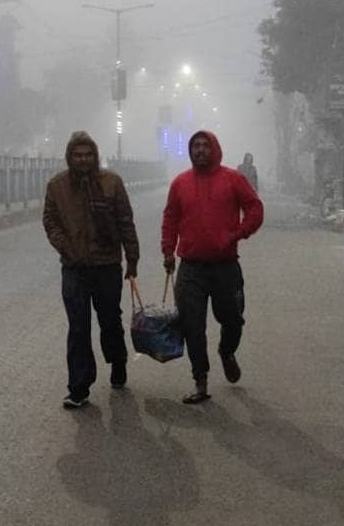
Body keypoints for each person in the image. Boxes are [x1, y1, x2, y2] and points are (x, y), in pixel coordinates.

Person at [161, 130, 264, 404]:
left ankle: (227, 351)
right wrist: (168, 250)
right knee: (192, 325)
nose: (200, 150)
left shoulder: (233, 179)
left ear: (215, 149)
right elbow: (170, 218)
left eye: (206, 145)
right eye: (196, 146)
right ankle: (200, 381)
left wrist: (238, 233)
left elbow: (255, 209)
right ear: (190, 150)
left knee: (233, 319)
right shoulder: (180, 183)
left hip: (225, 267)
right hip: (191, 268)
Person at [43, 131, 140, 409]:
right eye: (77, 155)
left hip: (107, 265)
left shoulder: (112, 183)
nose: (83, 160)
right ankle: (79, 387)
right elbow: (50, 221)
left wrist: (132, 259)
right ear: (69, 157)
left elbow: (125, 221)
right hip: (74, 268)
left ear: (95, 156)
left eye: (88, 155)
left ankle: (118, 361)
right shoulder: (57, 186)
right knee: (78, 327)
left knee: (110, 320)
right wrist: (65, 247)